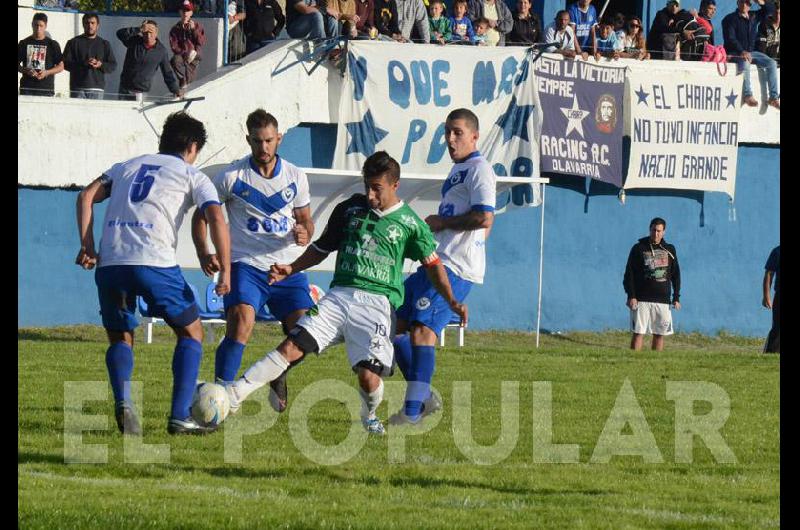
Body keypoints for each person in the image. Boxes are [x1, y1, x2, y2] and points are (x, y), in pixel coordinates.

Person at [222, 151, 468, 435]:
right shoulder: (349, 208)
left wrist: (452, 301)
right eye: (367, 186)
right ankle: (234, 394)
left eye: (377, 188)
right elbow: (321, 248)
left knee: (368, 379)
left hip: (378, 303)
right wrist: (291, 267)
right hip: (339, 296)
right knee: (291, 346)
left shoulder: (411, 224)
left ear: (395, 185)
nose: (371, 195)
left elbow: (434, 266)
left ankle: (370, 413)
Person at [75, 112, 232, 435]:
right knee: (191, 333)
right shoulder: (192, 175)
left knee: (121, 337)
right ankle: (179, 416)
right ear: (192, 146)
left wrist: (88, 246)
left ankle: (124, 401)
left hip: (112, 263)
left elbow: (86, 195)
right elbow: (215, 217)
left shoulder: (126, 166)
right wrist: (225, 268)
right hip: (154, 263)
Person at [191, 109, 314, 413]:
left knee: (306, 333)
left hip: (287, 269)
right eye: (257, 141)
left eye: (269, 141)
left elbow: (307, 223)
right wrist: (205, 252)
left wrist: (304, 233)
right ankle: (219, 396)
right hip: (246, 265)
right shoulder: (231, 177)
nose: (264, 148)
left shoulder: (296, 176)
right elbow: (201, 216)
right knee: (241, 323)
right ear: (248, 139)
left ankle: (277, 374)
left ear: (279, 138)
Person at [390, 108, 495, 425]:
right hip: (437, 260)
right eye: (447, 132)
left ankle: (411, 414)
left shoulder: (480, 169)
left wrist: (442, 223)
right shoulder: (458, 171)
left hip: (456, 267)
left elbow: (484, 217)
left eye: (458, 132)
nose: (450, 139)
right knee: (394, 321)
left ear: (475, 136)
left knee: (422, 331)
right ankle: (423, 397)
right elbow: (484, 221)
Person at [623, 217, 681, 352]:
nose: (656, 234)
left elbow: (676, 275)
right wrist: (631, 296)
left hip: (663, 300)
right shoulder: (638, 248)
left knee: (659, 334)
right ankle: (633, 362)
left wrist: (676, 297)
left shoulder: (670, 250)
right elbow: (629, 274)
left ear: (664, 232)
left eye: (659, 231)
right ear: (649, 229)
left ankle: (656, 363)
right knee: (638, 333)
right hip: (641, 299)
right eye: (654, 230)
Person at [723, 0, 779, 109]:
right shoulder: (730, 19)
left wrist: (760, 2)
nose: (744, 5)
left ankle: (773, 97)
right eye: (742, 2)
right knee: (745, 62)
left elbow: (771, 10)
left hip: (751, 52)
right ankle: (747, 95)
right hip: (736, 53)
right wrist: (741, 51)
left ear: (750, 4)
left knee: (772, 63)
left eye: (747, 2)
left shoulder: (754, 16)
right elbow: (731, 38)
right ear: (737, 3)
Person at [117, 20, 183, 101]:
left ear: (156, 32)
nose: (148, 35)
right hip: (125, 89)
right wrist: (138, 29)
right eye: (146, 32)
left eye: (151, 32)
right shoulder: (134, 41)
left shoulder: (161, 51)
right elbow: (119, 33)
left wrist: (176, 90)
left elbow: (167, 74)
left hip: (141, 92)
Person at [63, 13, 117, 99]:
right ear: (83, 24)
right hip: (77, 88)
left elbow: (112, 65)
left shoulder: (104, 44)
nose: (90, 25)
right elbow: (65, 64)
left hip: (97, 88)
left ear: (98, 25)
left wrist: (100, 65)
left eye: (93, 23)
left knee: (95, 113)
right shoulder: (73, 42)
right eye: (87, 23)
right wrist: (84, 63)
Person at [18, 13, 64, 97]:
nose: (38, 28)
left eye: (41, 25)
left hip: (46, 89)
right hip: (27, 88)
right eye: (36, 25)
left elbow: (61, 66)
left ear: (45, 26)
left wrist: (47, 72)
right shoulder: (23, 43)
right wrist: (25, 70)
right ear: (32, 25)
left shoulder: (52, 44)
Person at [169, 1, 207, 91]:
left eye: (188, 10)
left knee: (191, 79)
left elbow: (201, 42)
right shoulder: (175, 29)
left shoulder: (197, 26)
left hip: (194, 55)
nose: (185, 13)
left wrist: (194, 30)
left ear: (191, 13)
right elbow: (174, 46)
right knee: (174, 61)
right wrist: (184, 53)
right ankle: (182, 81)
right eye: (183, 10)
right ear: (180, 12)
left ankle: (188, 87)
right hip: (182, 55)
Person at [762, 245, 779, 353]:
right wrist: (766, 296)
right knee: (778, 327)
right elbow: (769, 274)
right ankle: (772, 352)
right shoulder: (777, 252)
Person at [756, 1, 779, 65]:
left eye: (780, 13)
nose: (778, 16)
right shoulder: (764, 25)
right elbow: (761, 48)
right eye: (776, 13)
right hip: (766, 62)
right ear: (773, 13)